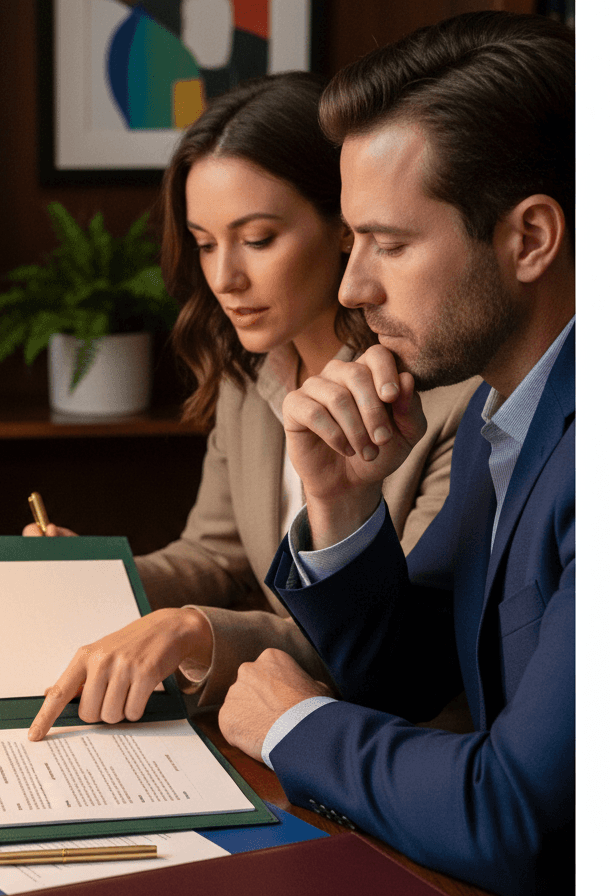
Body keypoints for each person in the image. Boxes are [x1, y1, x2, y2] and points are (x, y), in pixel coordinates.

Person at [217, 11, 575, 896]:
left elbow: (520, 819)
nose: (351, 288)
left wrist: (293, 725)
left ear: (530, 239)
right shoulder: (515, 407)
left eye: (392, 243)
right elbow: (411, 679)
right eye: (353, 240)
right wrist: (342, 502)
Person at [27, 72, 478, 741]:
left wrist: (195, 630)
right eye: (205, 243)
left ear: (345, 226)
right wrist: (96, 572)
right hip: (263, 722)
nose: (224, 278)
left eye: (258, 238)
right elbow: (213, 556)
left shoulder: (445, 399)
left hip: (394, 746)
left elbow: (390, 648)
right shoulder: (248, 375)